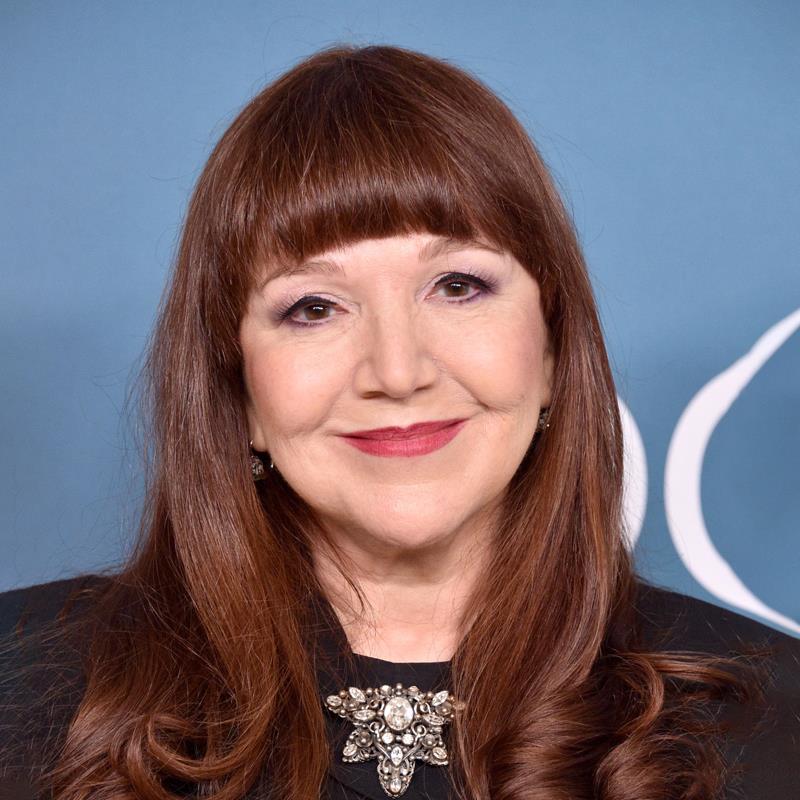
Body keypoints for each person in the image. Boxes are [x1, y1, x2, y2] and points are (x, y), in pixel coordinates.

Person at [0, 43, 798, 800]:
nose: (396, 370)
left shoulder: (774, 719)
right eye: (314, 307)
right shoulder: (19, 685)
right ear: (238, 390)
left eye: (457, 286)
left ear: (553, 351)